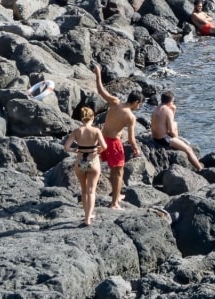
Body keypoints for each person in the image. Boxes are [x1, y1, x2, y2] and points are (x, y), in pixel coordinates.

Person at [93, 63, 142, 209]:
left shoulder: (115, 102)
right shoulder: (130, 117)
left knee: (111, 169)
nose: (139, 107)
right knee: (118, 172)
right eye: (139, 104)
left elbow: (101, 91)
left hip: (102, 140)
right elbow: (131, 139)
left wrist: (98, 73)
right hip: (114, 143)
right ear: (135, 102)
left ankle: (117, 194)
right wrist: (136, 149)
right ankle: (114, 203)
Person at [63, 106, 107, 226]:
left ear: (81, 118)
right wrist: (98, 149)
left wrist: (74, 150)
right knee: (91, 191)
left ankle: (85, 214)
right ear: (92, 117)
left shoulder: (77, 131)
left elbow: (66, 147)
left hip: (80, 162)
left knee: (84, 190)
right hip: (93, 162)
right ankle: (88, 217)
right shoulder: (96, 131)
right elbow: (104, 146)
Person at [151, 91, 203, 170]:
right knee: (188, 150)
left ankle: (177, 140)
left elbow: (169, 123)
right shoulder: (168, 111)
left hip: (154, 137)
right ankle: (200, 169)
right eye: (173, 101)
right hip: (163, 139)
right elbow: (171, 131)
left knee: (175, 123)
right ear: (170, 101)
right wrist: (175, 138)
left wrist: (173, 111)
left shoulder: (156, 108)